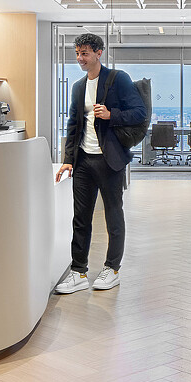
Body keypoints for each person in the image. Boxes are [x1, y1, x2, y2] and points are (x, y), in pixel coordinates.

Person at [54, 33, 147, 294]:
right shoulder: (77, 87)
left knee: (113, 215)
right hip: (83, 161)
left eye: (84, 53)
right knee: (80, 218)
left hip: (110, 160)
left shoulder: (118, 80)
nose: (79, 59)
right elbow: (73, 126)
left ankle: (112, 269)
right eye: (77, 53)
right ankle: (78, 271)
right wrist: (68, 160)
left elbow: (139, 112)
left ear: (98, 53)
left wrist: (111, 114)